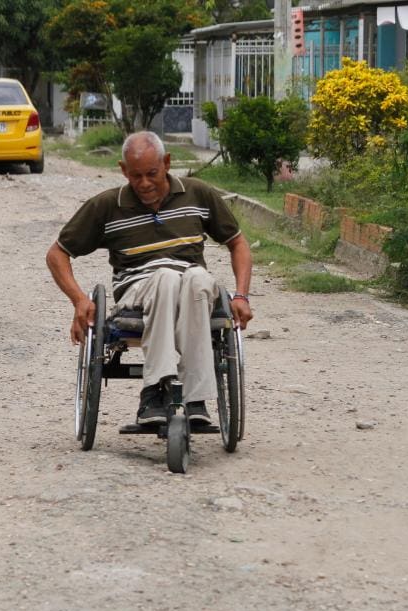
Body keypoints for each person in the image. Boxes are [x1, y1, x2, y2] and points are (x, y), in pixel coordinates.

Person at [46, 131, 253, 427]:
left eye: (152, 174)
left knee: (196, 278)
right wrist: (79, 300)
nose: (144, 184)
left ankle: (195, 398)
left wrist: (242, 295)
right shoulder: (107, 205)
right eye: (136, 176)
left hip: (192, 288)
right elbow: (57, 254)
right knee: (166, 278)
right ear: (123, 171)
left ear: (167, 163)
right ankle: (154, 391)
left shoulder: (198, 194)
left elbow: (238, 243)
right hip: (138, 289)